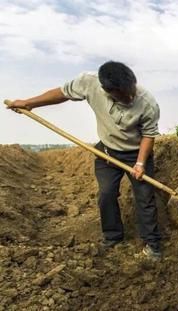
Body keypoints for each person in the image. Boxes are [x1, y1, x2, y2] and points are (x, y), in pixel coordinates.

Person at [7, 61, 162, 260]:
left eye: (131, 91)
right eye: (124, 95)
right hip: (106, 152)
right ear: (108, 91)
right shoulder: (89, 83)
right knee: (106, 194)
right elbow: (62, 93)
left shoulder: (147, 102)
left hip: (137, 152)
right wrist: (30, 103)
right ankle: (113, 237)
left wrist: (140, 163)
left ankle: (152, 245)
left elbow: (149, 135)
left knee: (145, 198)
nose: (131, 97)